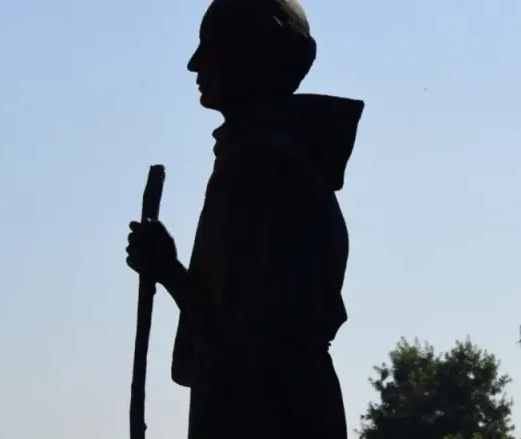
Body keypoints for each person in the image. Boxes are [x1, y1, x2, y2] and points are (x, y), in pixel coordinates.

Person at [124, 0, 362, 437]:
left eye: (210, 46)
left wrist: (171, 273)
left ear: (253, 52)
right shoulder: (274, 161)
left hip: (264, 412)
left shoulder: (262, 169)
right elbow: (236, 315)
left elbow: (250, 337)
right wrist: (170, 271)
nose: (195, 64)